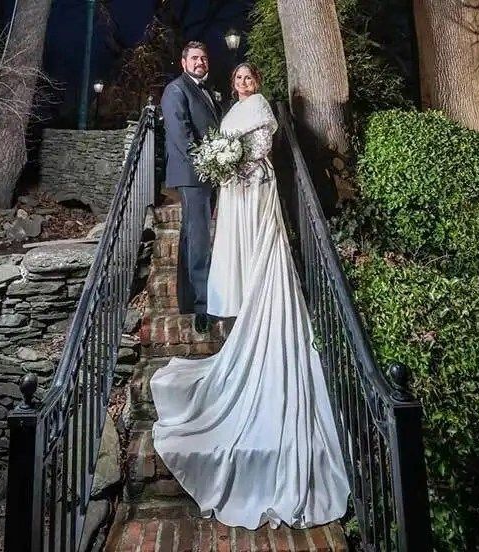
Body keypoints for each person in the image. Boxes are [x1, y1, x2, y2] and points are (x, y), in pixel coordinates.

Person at [150, 63, 350, 530]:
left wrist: (231, 163)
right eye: (238, 79)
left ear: (256, 83)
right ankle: (238, 293)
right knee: (231, 247)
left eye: (248, 79)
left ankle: (263, 295)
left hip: (255, 188)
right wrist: (223, 163)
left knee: (261, 247)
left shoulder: (259, 107)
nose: (243, 84)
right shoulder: (230, 108)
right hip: (236, 189)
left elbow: (260, 150)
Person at [160, 41, 223, 334]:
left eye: (204, 58)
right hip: (192, 174)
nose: (200, 62)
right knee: (199, 238)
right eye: (195, 58)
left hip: (209, 173)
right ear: (183, 62)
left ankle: (188, 299)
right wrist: (206, 164)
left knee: (191, 236)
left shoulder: (207, 91)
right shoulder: (176, 90)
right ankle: (202, 306)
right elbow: (181, 134)